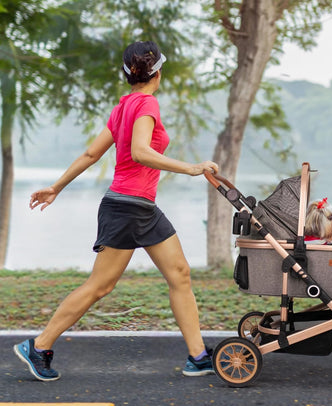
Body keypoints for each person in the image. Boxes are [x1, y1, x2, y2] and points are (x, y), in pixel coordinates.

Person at [13, 41, 218, 381]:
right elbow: (139, 152)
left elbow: (92, 154)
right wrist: (191, 168)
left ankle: (197, 356)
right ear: (158, 72)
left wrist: (56, 187)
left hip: (141, 207)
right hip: (126, 207)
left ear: (127, 73)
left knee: (180, 274)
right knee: (100, 286)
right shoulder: (145, 105)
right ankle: (39, 345)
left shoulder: (124, 107)